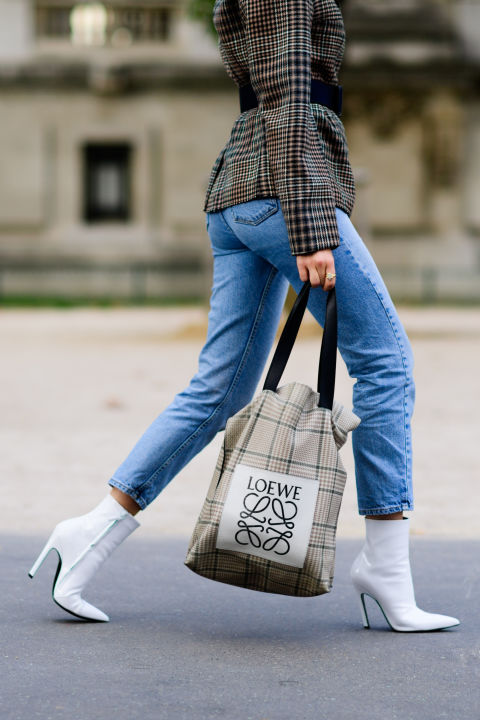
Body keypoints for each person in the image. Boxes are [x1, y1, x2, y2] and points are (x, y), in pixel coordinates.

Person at [29, 0, 459, 632]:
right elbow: (286, 97)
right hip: (285, 191)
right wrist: (312, 227)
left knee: (222, 389)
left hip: (243, 193)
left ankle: (90, 533)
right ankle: (387, 567)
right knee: (386, 364)